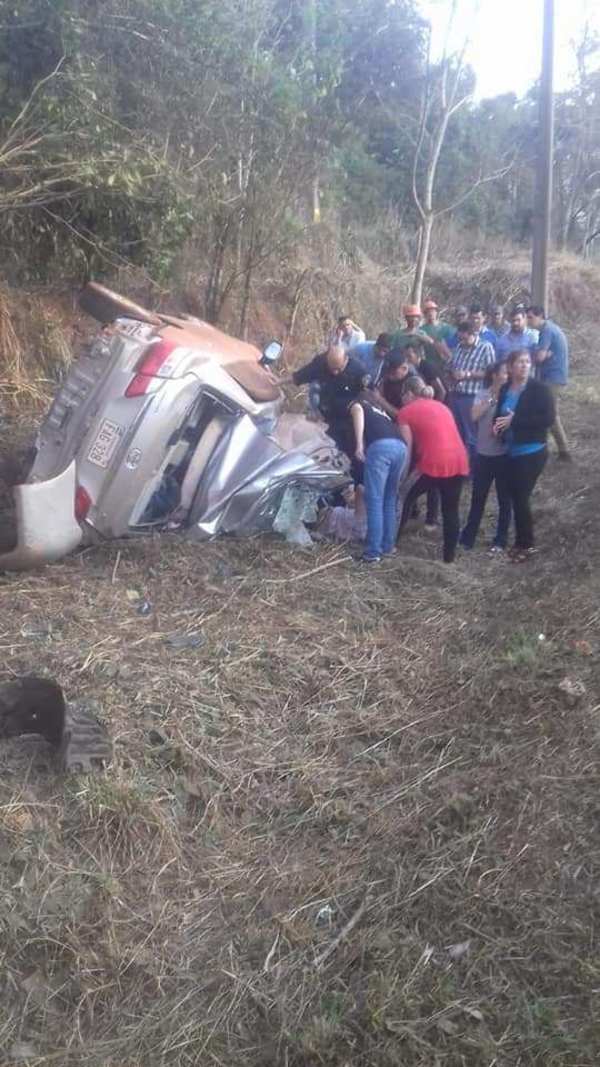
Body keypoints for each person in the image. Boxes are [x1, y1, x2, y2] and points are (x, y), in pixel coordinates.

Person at [396, 377, 469, 562]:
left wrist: (402, 476)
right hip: (459, 460)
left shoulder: (405, 412)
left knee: (405, 496)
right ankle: (449, 557)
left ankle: (392, 541)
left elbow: (407, 448)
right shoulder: (442, 406)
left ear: (409, 394)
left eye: (402, 395)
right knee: (451, 510)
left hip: (433, 462)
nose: (401, 399)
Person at [493, 348, 555, 563]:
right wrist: (497, 427)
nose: (525, 365)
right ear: (510, 367)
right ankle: (520, 540)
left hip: (532, 450)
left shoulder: (540, 389)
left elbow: (547, 419)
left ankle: (526, 544)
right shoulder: (505, 389)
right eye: (520, 362)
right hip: (511, 450)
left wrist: (514, 421)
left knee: (520, 496)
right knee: (514, 496)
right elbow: (499, 414)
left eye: (527, 362)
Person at [459, 362, 512, 554]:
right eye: (505, 372)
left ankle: (500, 539)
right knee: (478, 497)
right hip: (483, 454)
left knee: (504, 499)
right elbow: (473, 416)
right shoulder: (483, 394)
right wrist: (491, 399)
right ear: (495, 375)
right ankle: (468, 537)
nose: (508, 375)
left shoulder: (512, 395)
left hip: (504, 455)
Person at [349, 397, 408, 563]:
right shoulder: (379, 411)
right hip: (400, 447)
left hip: (381, 448)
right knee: (389, 499)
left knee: (374, 500)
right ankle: (388, 546)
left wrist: (359, 445)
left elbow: (358, 410)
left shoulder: (357, 404)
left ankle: (372, 552)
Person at [286, 344, 367, 461]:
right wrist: (278, 381)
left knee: (348, 454)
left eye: (338, 369)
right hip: (325, 415)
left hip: (347, 419)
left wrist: (360, 445)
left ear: (346, 360)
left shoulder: (358, 371)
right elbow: (299, 376)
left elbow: (364, 398)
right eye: (332, 368)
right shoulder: (320, 363)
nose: (335, 372)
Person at [447, 322, 495, 466]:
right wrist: (451, 375)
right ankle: (461, 465)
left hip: (472, 396)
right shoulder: (459, 348)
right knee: (458, 433)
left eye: (464, 338)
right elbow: (449, 366)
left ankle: (475, 469)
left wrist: (468, 374)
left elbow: (491, 372)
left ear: (473, 335)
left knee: (472, 435)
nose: (462, 341)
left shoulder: (485, 347)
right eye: (460, 338)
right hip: (456, 394)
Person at [526, 305, 570, 460]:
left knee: (550, 413)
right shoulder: (549, 329)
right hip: (551, 376)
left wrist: (535, 353)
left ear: (540, 317)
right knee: (546, 412)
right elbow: (542, 355)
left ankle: (564, 451)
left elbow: (539, 358)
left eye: (530, 317)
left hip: (553, 377)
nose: (528, 321)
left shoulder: (547, 331)